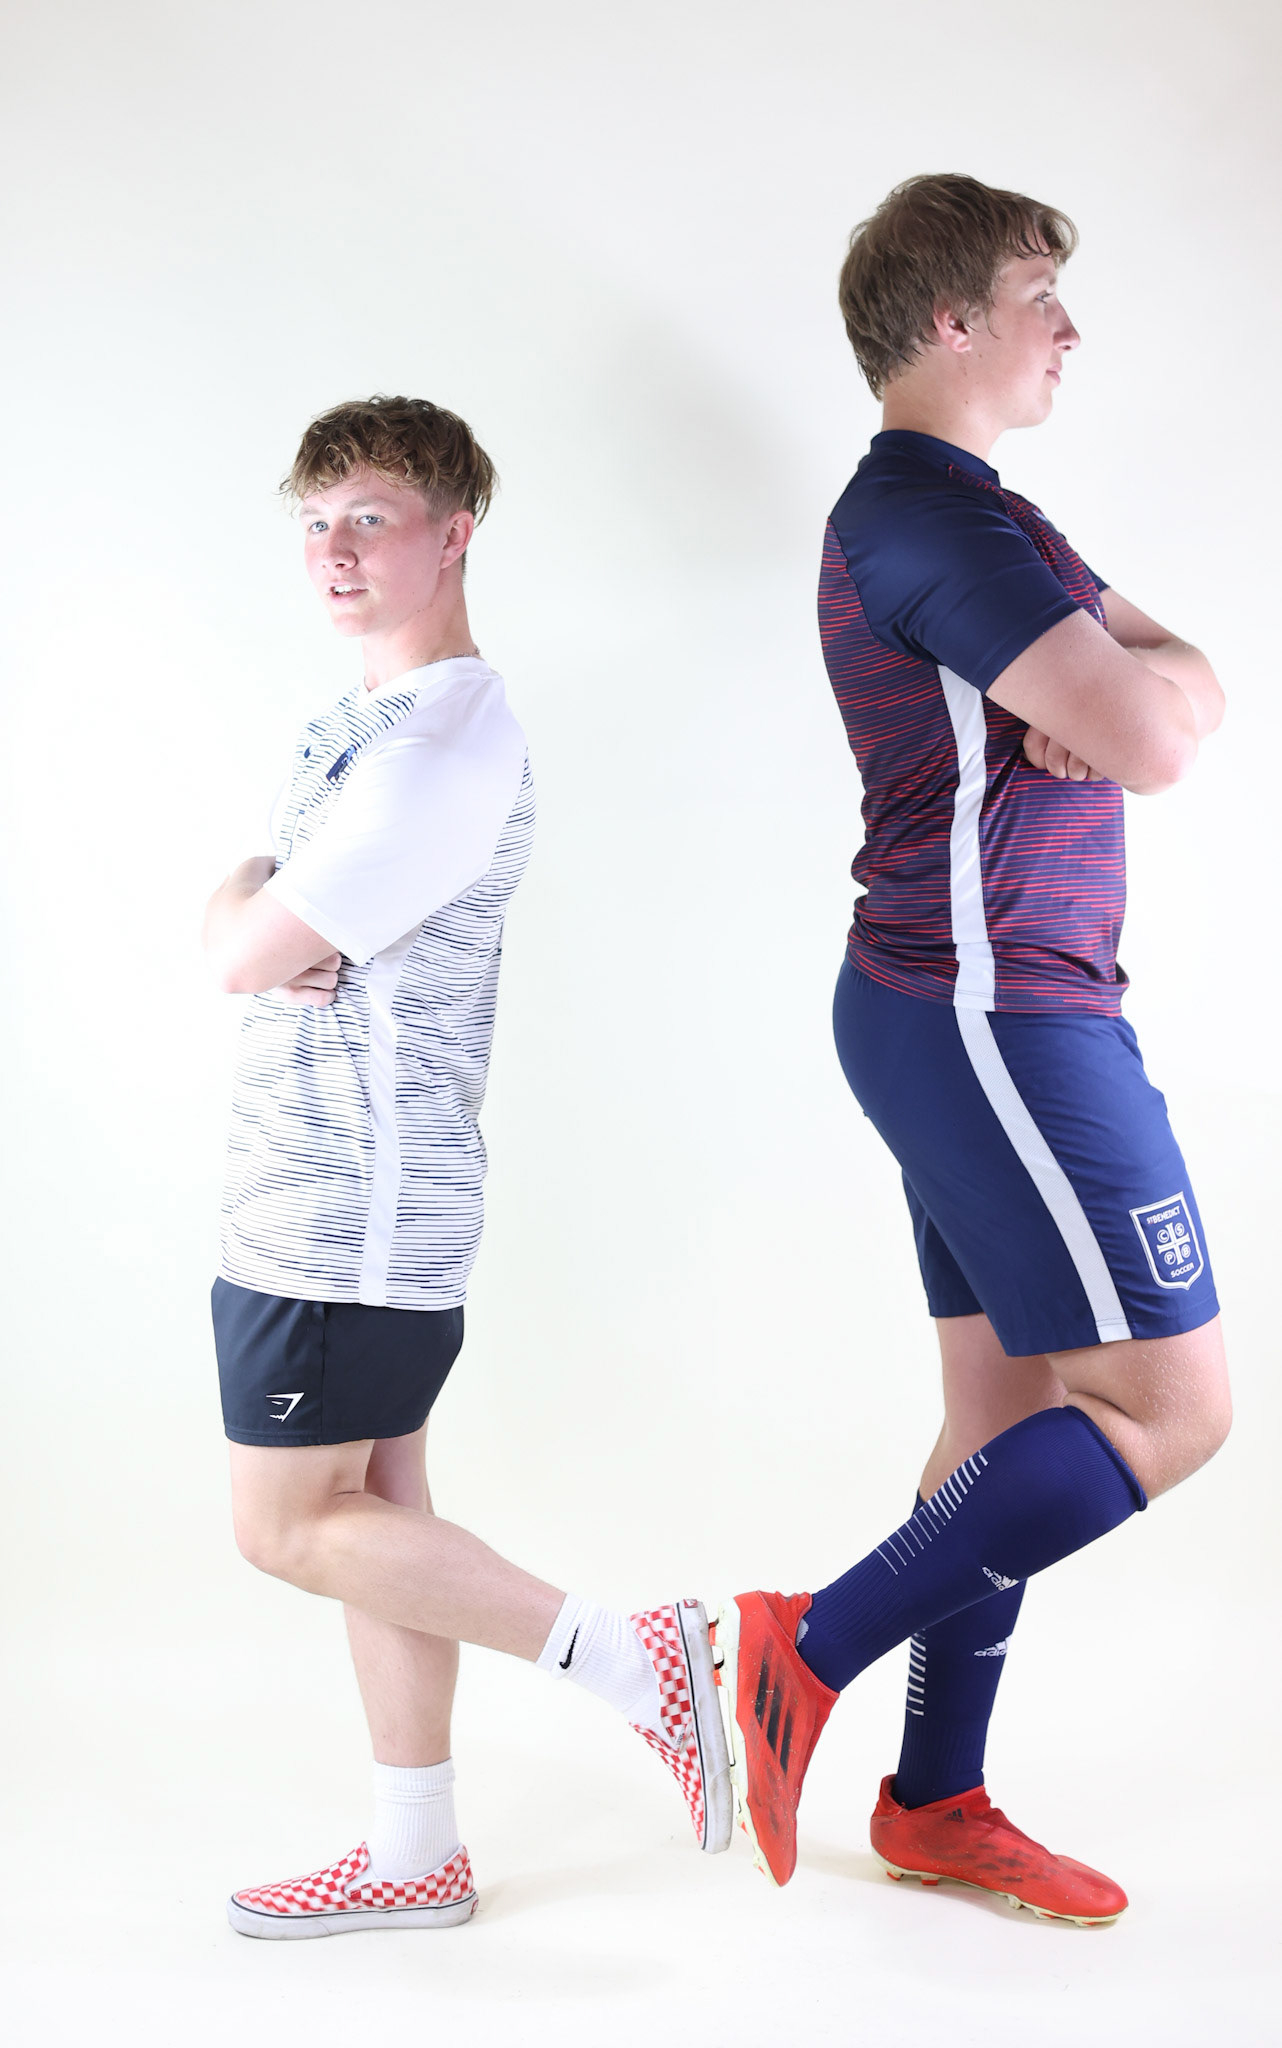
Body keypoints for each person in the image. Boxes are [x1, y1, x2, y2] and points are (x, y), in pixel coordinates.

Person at [712, 175, 1229, 1924]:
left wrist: (1135, 694)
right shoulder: (933, 527)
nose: (1065, 328)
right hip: (995, 1012)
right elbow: (1155, 740)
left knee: (996, 1420)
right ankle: (800, 1653)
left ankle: (934, 1800)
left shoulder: (984, 519)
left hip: (960, 1008)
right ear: (949, 322)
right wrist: (1129, 704)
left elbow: (1186, 683)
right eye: (1037, 294)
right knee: (1169, 1407)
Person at [204, 395, 729, 1938]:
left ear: (454, 533)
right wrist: (251, 911)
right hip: (331, 1184)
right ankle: (414, 1850)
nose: (333, 551)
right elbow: (254, 922)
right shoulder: (382, 730)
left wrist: (244, 917)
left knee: (289, 1524)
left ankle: (650, 1667)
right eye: (314, 521)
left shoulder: (434, 745)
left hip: (347, 1200)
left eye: (367, 516)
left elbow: (246, 945)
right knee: (383, 1510)